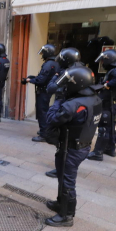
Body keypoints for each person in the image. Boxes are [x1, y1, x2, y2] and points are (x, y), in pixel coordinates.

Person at [44, 67, 102, 227]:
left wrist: (58, 100)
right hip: (81, 145)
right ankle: (60, 203)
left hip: (71, 148)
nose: (66, 87)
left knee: (68, 182)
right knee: (63, 176)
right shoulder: (95, 99)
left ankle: (66, 216)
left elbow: (51, 119)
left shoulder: (74, 104)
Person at [45, 47, 82, 178]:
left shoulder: (67, 73)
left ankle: (62, 168)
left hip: (64, 105)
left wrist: (55, 75)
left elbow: (51, 88)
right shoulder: (82, 70)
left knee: (61, 139)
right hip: (77, 107)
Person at [24, 44, 60, 142]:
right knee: (45, 110)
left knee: (42, 112)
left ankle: (44, 134)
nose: (42, 55)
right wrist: (33, 78)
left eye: (43, 52)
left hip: (43, 91)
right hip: (47, 90)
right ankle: (45, 130)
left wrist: (29, 80)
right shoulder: (56, 63)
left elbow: (41, 79)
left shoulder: (48, 64)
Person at [87, 49, 116, 160]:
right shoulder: (112, 70)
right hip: (110, 104)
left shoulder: (114, 71)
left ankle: (98, 153)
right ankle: (110, 149)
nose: (102, 63)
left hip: (109, 105)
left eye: (104, 61)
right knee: (109, 127)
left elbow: (112, 83)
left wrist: (106, 84)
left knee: (104, 128)